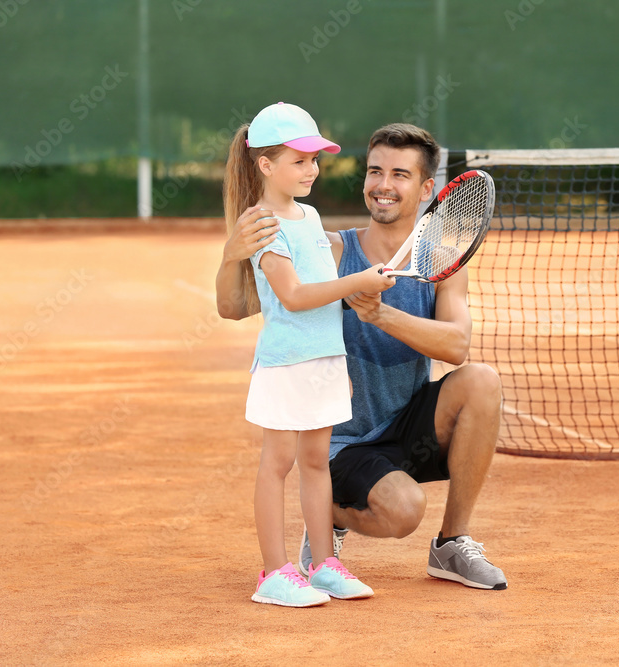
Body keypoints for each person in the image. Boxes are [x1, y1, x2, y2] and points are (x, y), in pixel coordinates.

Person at [217, 123, 507, 591]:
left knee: (482, 381)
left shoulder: (443, 263)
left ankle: (452, 544)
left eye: (400, 174)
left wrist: (381, 315)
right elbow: (235, 307)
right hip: (344, 442)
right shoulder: (330, 250)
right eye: (375, 171)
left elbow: (457, 347)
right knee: (402, 511)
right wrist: (231, 257)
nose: (383, 185)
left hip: (408, 424)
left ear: (426, 188)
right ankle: (327, 520)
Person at [223, 102, 396, 608]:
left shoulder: (311, 215)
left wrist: (356, 293)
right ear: (265, 165)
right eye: (299, 160)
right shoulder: (261, 224)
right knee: (277, 463)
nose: (312, 170)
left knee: (317, 461)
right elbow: (295, 296)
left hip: (323, 359)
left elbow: (319, 287)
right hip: (285, 362)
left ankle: (323, 566)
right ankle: (274, 573)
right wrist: (359, 281)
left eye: (315, 159)